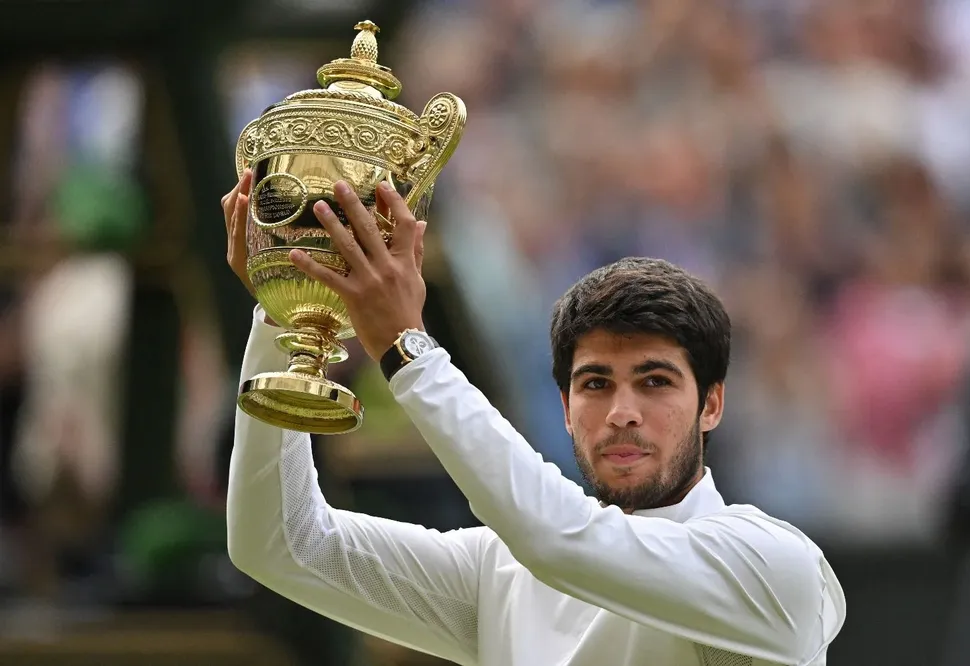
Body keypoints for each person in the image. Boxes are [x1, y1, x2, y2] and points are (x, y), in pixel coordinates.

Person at [223, 172, 846, 666]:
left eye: (655, 382)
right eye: (595, 384)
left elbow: (558, 541)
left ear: (712, 404)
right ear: (566, 410)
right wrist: (289, 308)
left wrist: (408, 349)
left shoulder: (777, 568)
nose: (622, 413)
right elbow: (279, 541)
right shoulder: (502, 572)